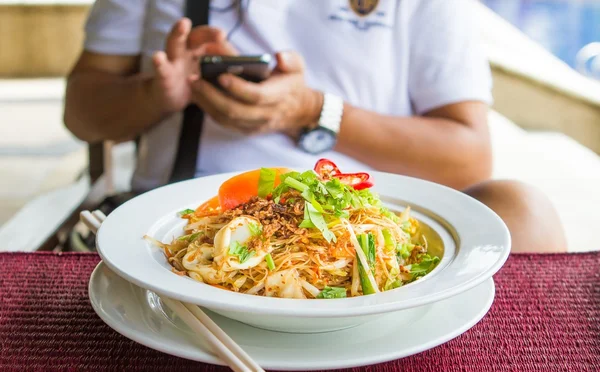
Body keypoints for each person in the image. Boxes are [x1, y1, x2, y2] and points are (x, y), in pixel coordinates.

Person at [63, 0, 566, 252]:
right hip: (179, 221)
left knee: (525, 210)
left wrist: (312, 111)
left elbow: (469, 156)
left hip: (365, 224)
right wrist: (159, 93)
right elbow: (81, 111)